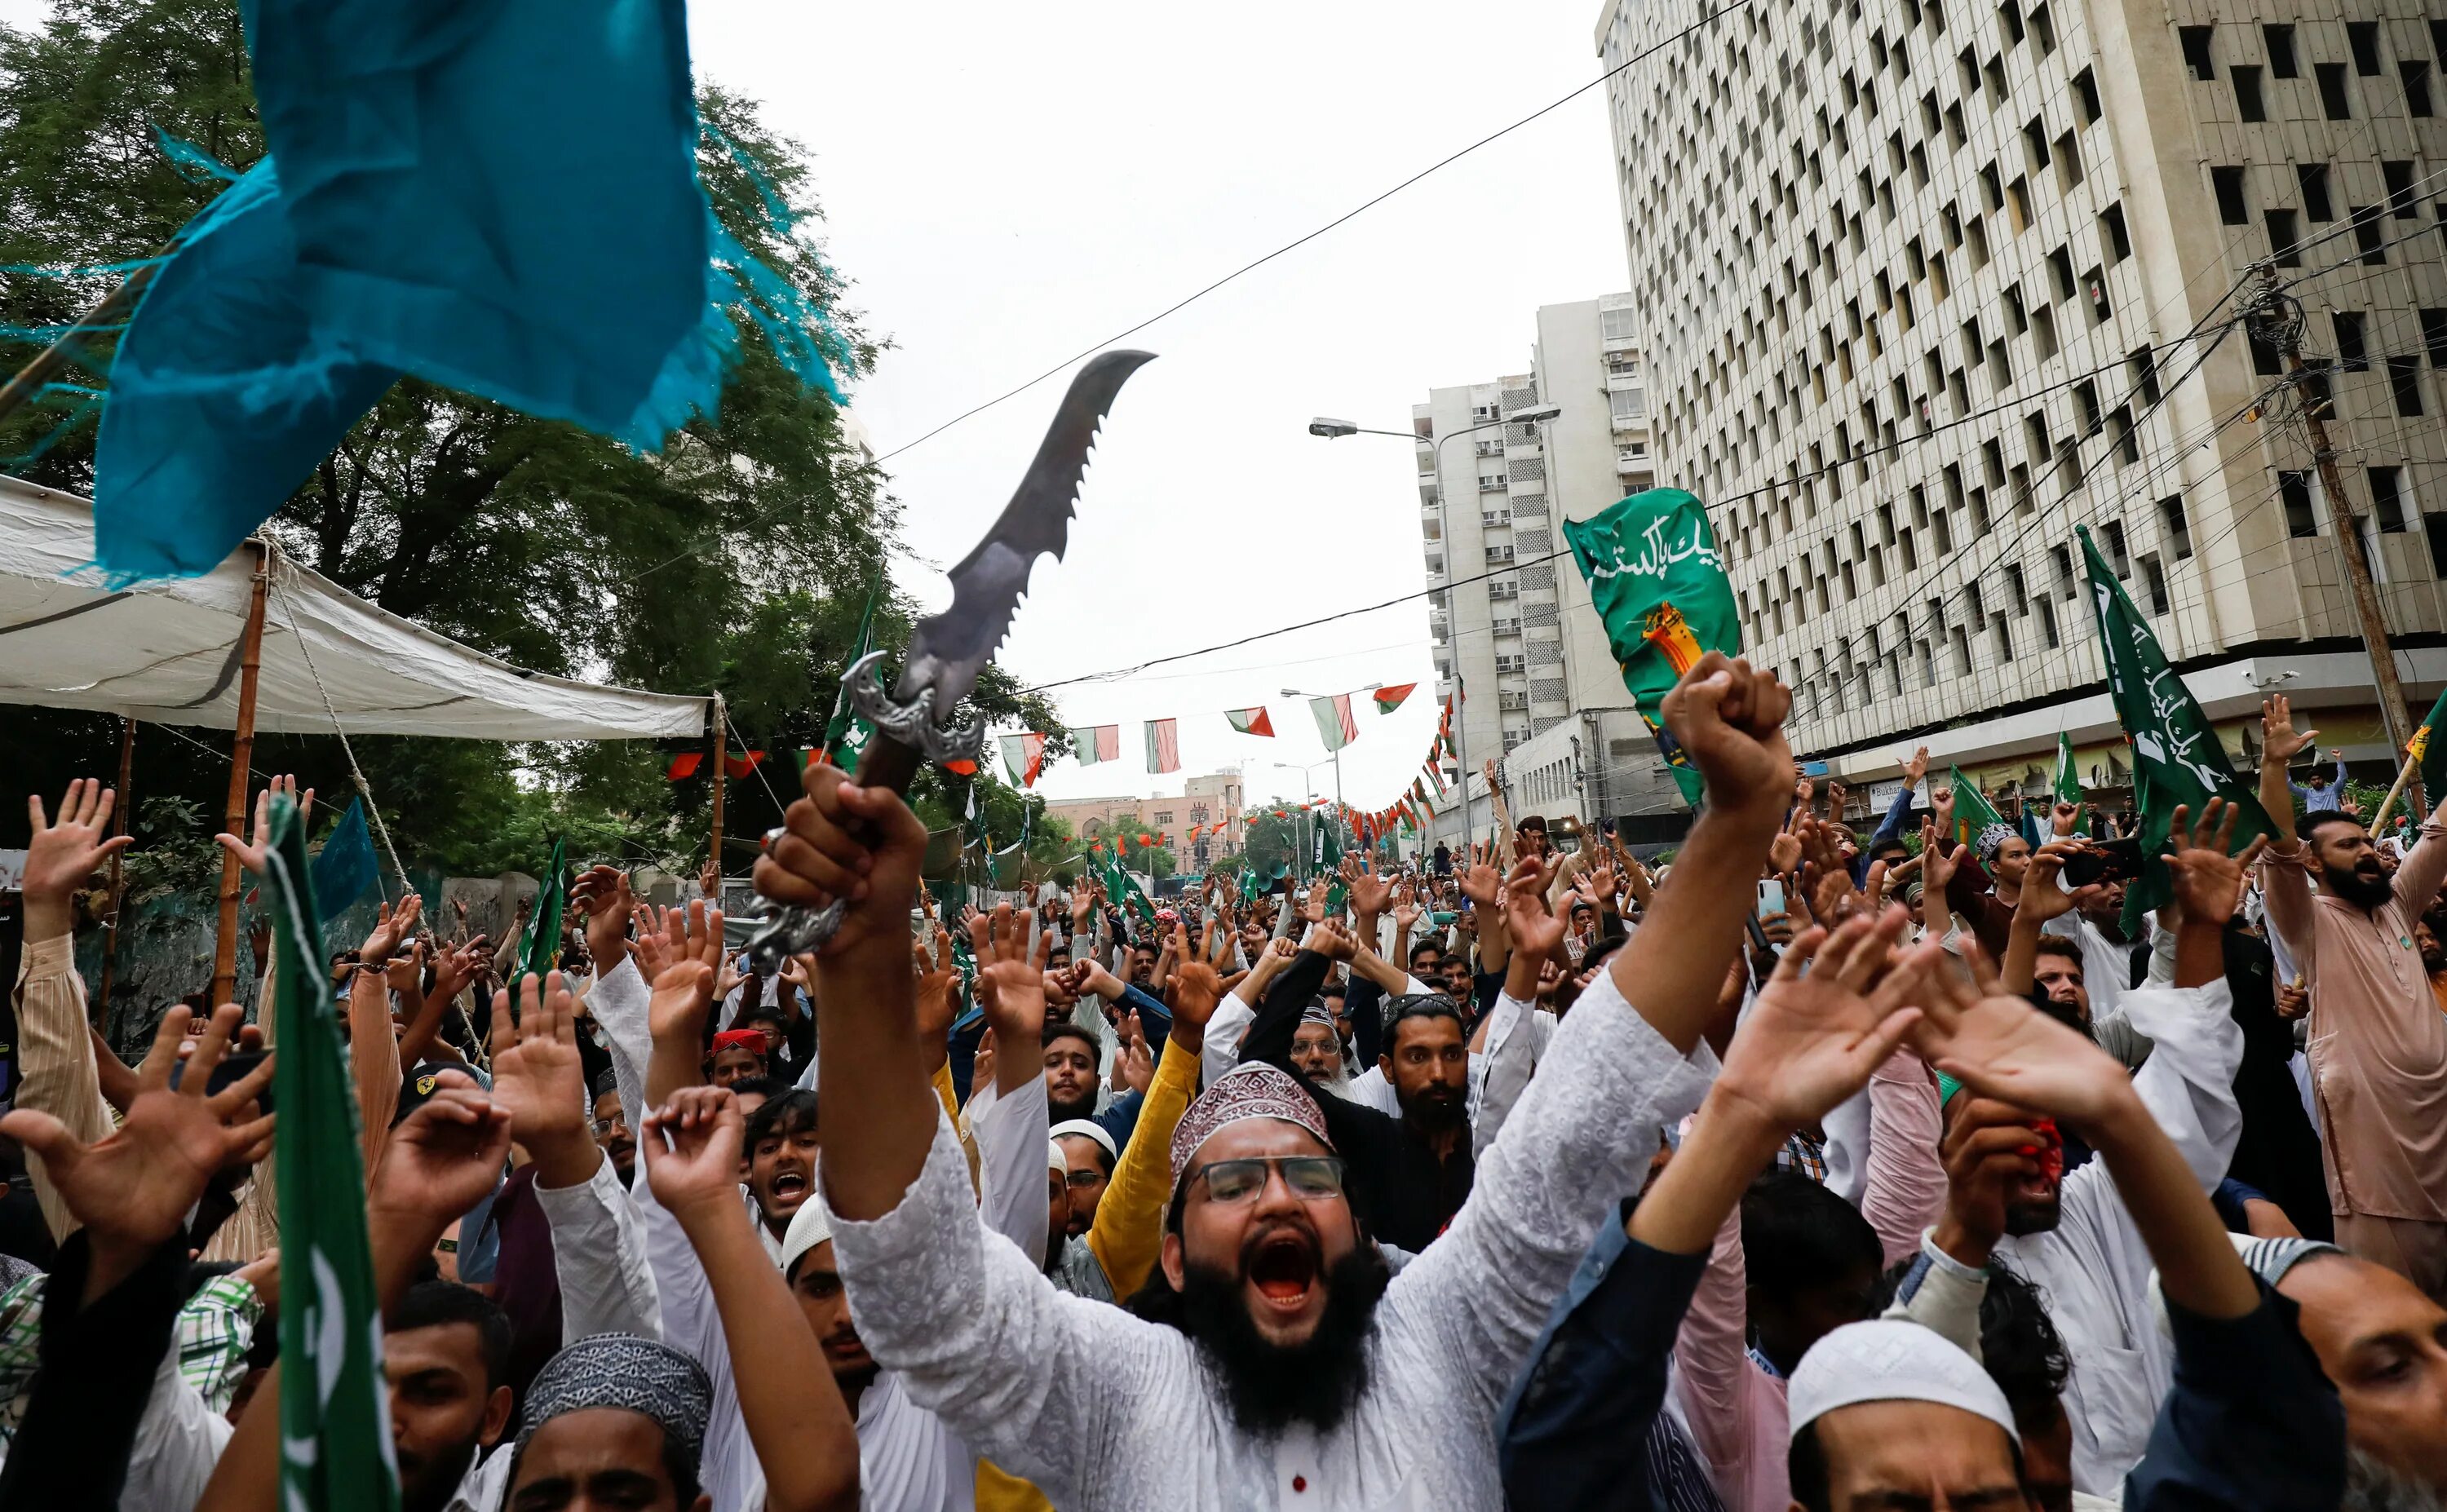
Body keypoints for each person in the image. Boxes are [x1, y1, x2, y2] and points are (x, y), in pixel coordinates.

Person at [763, 654, 1793, 1510]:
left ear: (1359, 1230)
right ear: (1170, 1254)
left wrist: (1738, 823)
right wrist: (860, 966)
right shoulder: (1114, 1392)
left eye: (1309, 1177)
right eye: (1227, 1184)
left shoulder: (1444, 1338)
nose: (1273, 1197)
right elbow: (928, 1292)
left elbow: (1581, 1113)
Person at [2259, 695, 2447, 1299]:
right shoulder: (2307, 920)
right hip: (2375, 1153)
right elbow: (2277, 852)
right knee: (2401, 1305)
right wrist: (2272, 769)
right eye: (2349, 847)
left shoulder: (2396, 902)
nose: (2368, 851)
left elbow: (2441, 832)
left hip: (2439, 1122)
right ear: (2314, 862)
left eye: (2367, 841)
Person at [2292, 746, 2350, 814]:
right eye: (2313, 780)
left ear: (2324, 779)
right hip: (2315, 824)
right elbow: (2291, 787)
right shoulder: (2307, 794)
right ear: (2309, 782)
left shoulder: (2334, 790)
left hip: (2333, 823)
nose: (2317, 781)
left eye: (2319, 778)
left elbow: (2343, 777)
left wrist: (2339, 759)